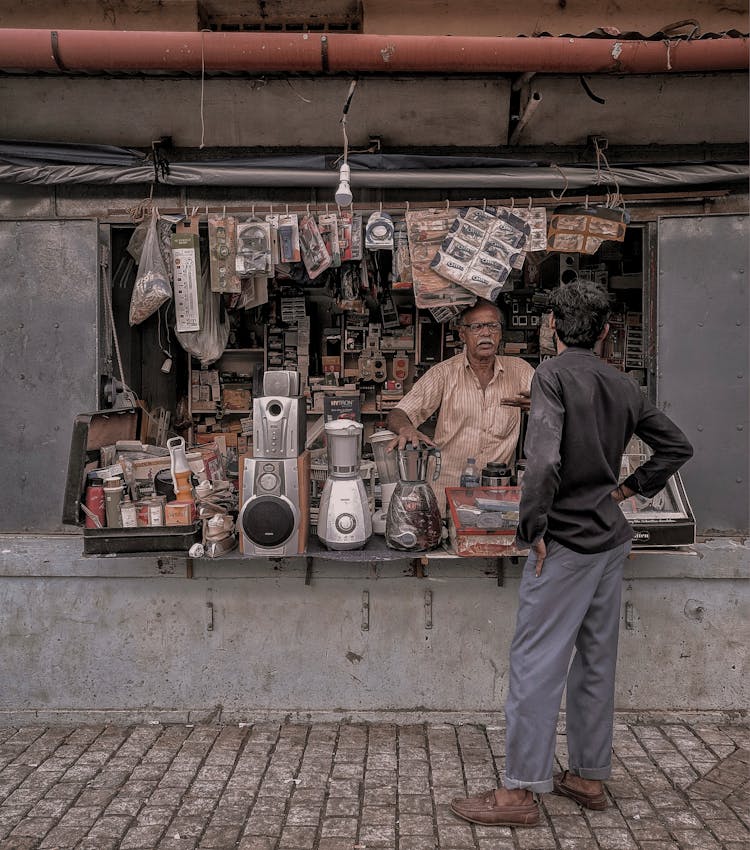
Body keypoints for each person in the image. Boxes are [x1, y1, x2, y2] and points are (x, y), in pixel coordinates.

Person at [450, 280, 693, 828]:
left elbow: (542, 463)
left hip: (565, 544)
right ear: (606, 332)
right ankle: (587, 776)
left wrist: (531, 528)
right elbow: (678, 445)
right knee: (595, 661)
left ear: (553, 328)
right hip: (609, 540)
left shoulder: (551, 377)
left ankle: (517, 795)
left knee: (535, 664)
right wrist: (629, 490)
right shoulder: (623, 384)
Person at [386, 298, 534, 515]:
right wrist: (406, 429)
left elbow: (557, 405)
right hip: (445, 496)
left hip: (496, 499)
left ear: (501, 333)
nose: (486, 333)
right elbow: (399, 413)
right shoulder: (443, 373)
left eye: (493, 326)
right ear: (462, 334)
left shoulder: (520, 371)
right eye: (476, 327)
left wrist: (543, 405)